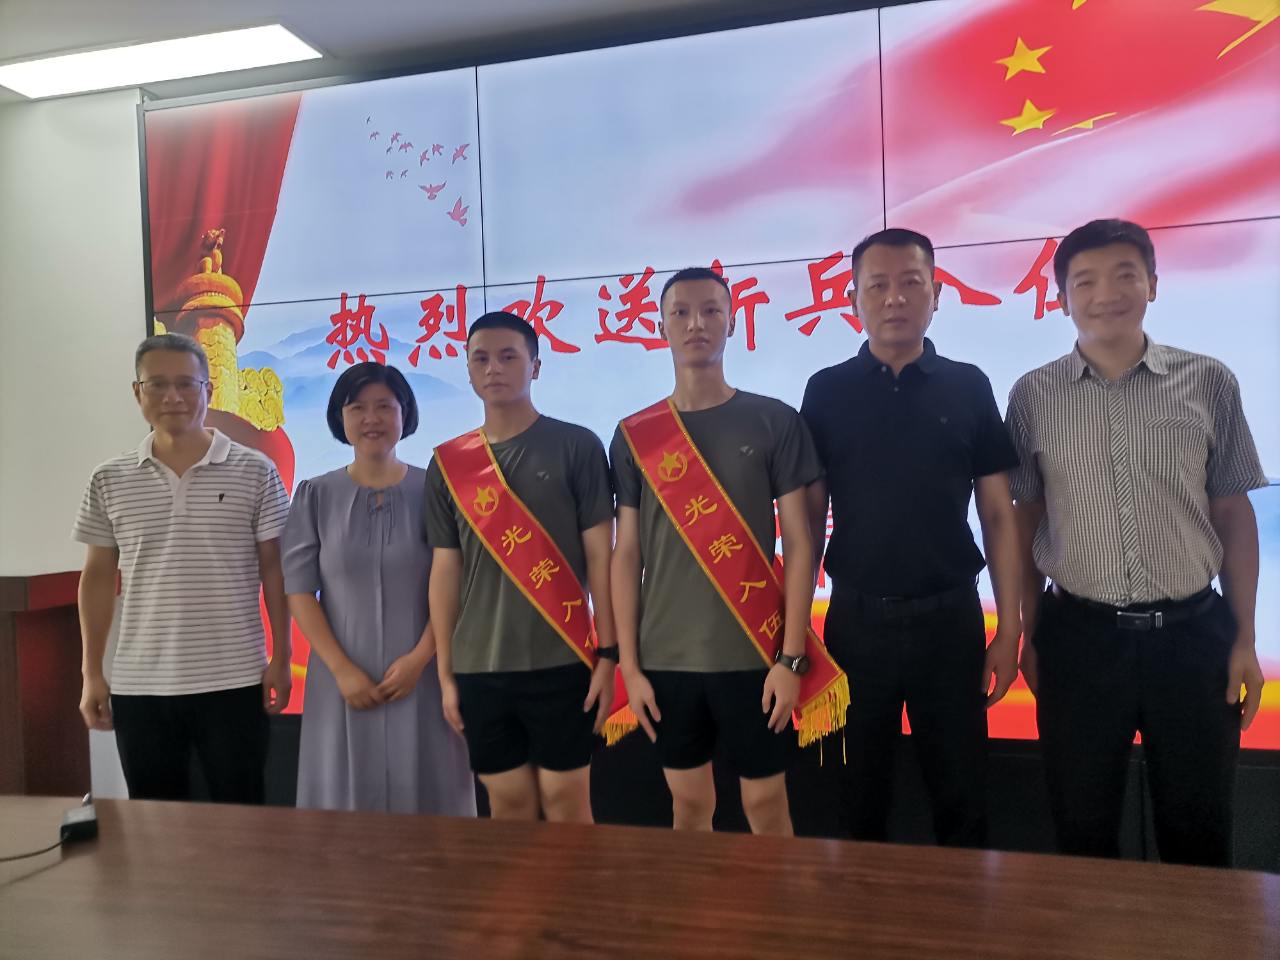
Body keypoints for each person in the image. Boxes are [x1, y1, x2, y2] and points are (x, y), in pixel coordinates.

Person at [1008, 218, 1268, 866]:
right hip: (1079, 640)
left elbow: (1232, 512)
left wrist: (1244, 639)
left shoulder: (1209, 381)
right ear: (1061, 298)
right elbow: (1024, 518)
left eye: (1125, 274)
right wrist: (1029, 635)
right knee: (1082, 829)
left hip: (1193, 637)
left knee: (1199, 832)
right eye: (1085, 281)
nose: (1106, 294)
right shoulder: (1033, 395)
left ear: (1152, 283)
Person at [801, 229, 1021, 847]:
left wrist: (1009, 630)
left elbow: (998, 514)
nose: (894, 298)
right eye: (877, 285)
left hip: (949, 623)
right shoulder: (826, 390)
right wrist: (796, 631)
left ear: (936, 294)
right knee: (857, 795)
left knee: (962, 796)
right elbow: (809, 517)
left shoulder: (968, 385)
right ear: (853, 300)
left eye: (910, 283)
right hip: (855, 625)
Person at [611, 266, 844, 837]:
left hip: (755, 653)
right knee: (688, 807)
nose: (696, 323)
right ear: (660, 326)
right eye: (681, 312)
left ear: (733, 322)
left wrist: (791, 658)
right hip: (666, 658)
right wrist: (630, 667)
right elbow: (627, 554)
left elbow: (800, 543)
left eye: (711, 310)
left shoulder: (773, 420)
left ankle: (777, 902)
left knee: (766, 806)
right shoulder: (635, 434)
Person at [74, 333, 291, 803]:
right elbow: (96, 579)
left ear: (208, 390)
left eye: (186, 384)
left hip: (235, 680)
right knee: (155, 825)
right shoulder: (109, 478)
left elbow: (275, 570)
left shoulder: (255, 470)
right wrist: (92, 673)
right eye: (157, 384)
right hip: (140, 684)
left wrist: (281, 657)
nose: (172, 396)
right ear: (138, 392)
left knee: (243, 817)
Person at [426, 311, 618, 823]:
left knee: (567, 802)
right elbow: (445, 572)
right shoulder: (448, 464)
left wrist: (608, 653)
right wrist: (446, 673)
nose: (494, 368)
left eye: (508, 356)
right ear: (469, 371)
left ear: (535, 365)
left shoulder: (577, 446)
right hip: (480, 665)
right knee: (508, 806)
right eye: (481, 359)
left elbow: (602, 557)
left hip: (564, 659)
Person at [282, 362, 475, 815]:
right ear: (340, 417)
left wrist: (419, 659)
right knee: (343, 803)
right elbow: (299, 591)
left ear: (405, 413)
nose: (372, 419)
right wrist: (341, 669)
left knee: (432, 796)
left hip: (425, 673)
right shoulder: (314, 495)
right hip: (341, 677)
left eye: (385, 406)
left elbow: (458, 584)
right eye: (358, 408)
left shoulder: (436, 490)